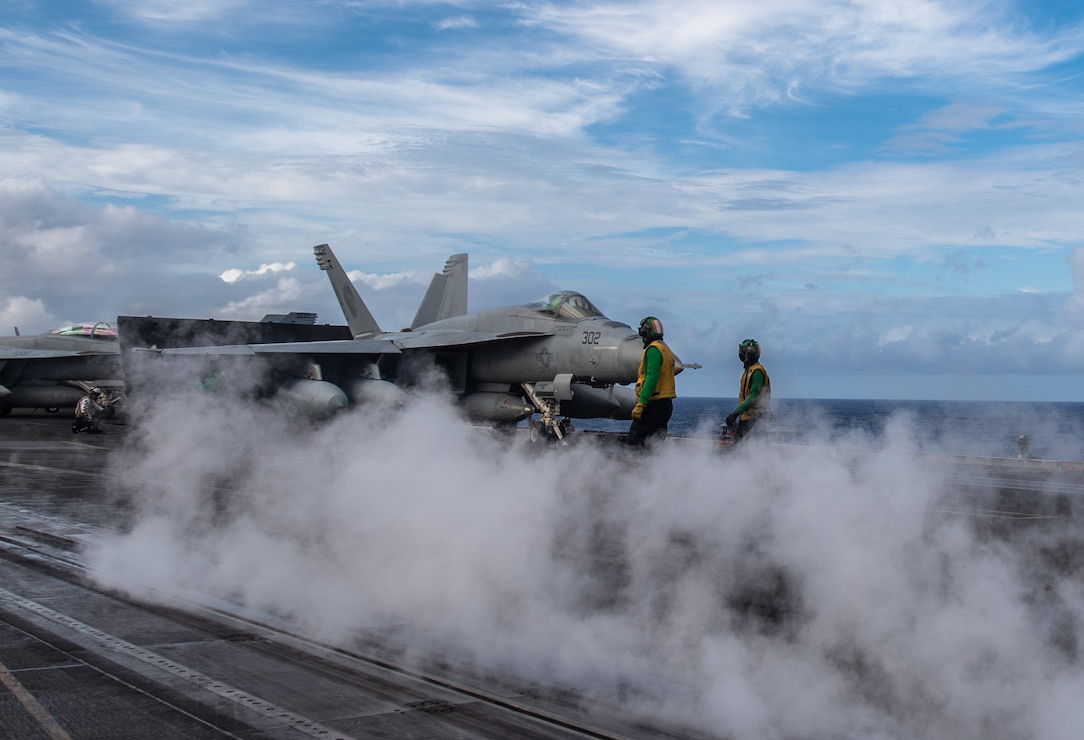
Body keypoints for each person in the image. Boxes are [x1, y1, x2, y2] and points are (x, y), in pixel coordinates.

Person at [625, 316, 677, 446]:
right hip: (665, 405)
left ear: (646, 332)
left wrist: (641, 404)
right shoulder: (665, 349)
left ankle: (636, 466)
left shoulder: (653, 350)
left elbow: (651, 379)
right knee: (655, 445)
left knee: (635, 441)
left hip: (653, 405)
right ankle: (654, 466)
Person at [725, 338, 771, 442]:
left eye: (743, 352)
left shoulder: (757, 372)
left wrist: (735, 413)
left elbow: (753, 396)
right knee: (746, 448)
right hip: (747, 417)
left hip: (755, 418)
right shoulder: (748, 371)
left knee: (740, 448)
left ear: (748, 354)